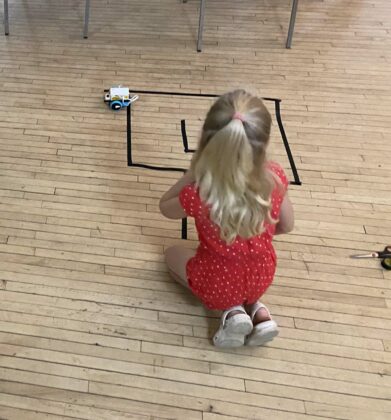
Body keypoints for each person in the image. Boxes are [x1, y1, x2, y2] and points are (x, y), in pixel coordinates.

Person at [159, 89, 294, 348]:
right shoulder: (274, 177)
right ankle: (258, 310)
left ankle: (231, 312)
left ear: (210, 143)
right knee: (242, 276)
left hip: (217, 282)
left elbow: (165, 207)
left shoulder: (201, 194)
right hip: (262, 276)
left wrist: (194, 171)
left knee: (172, 254)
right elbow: (287, 225)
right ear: (262, 142)